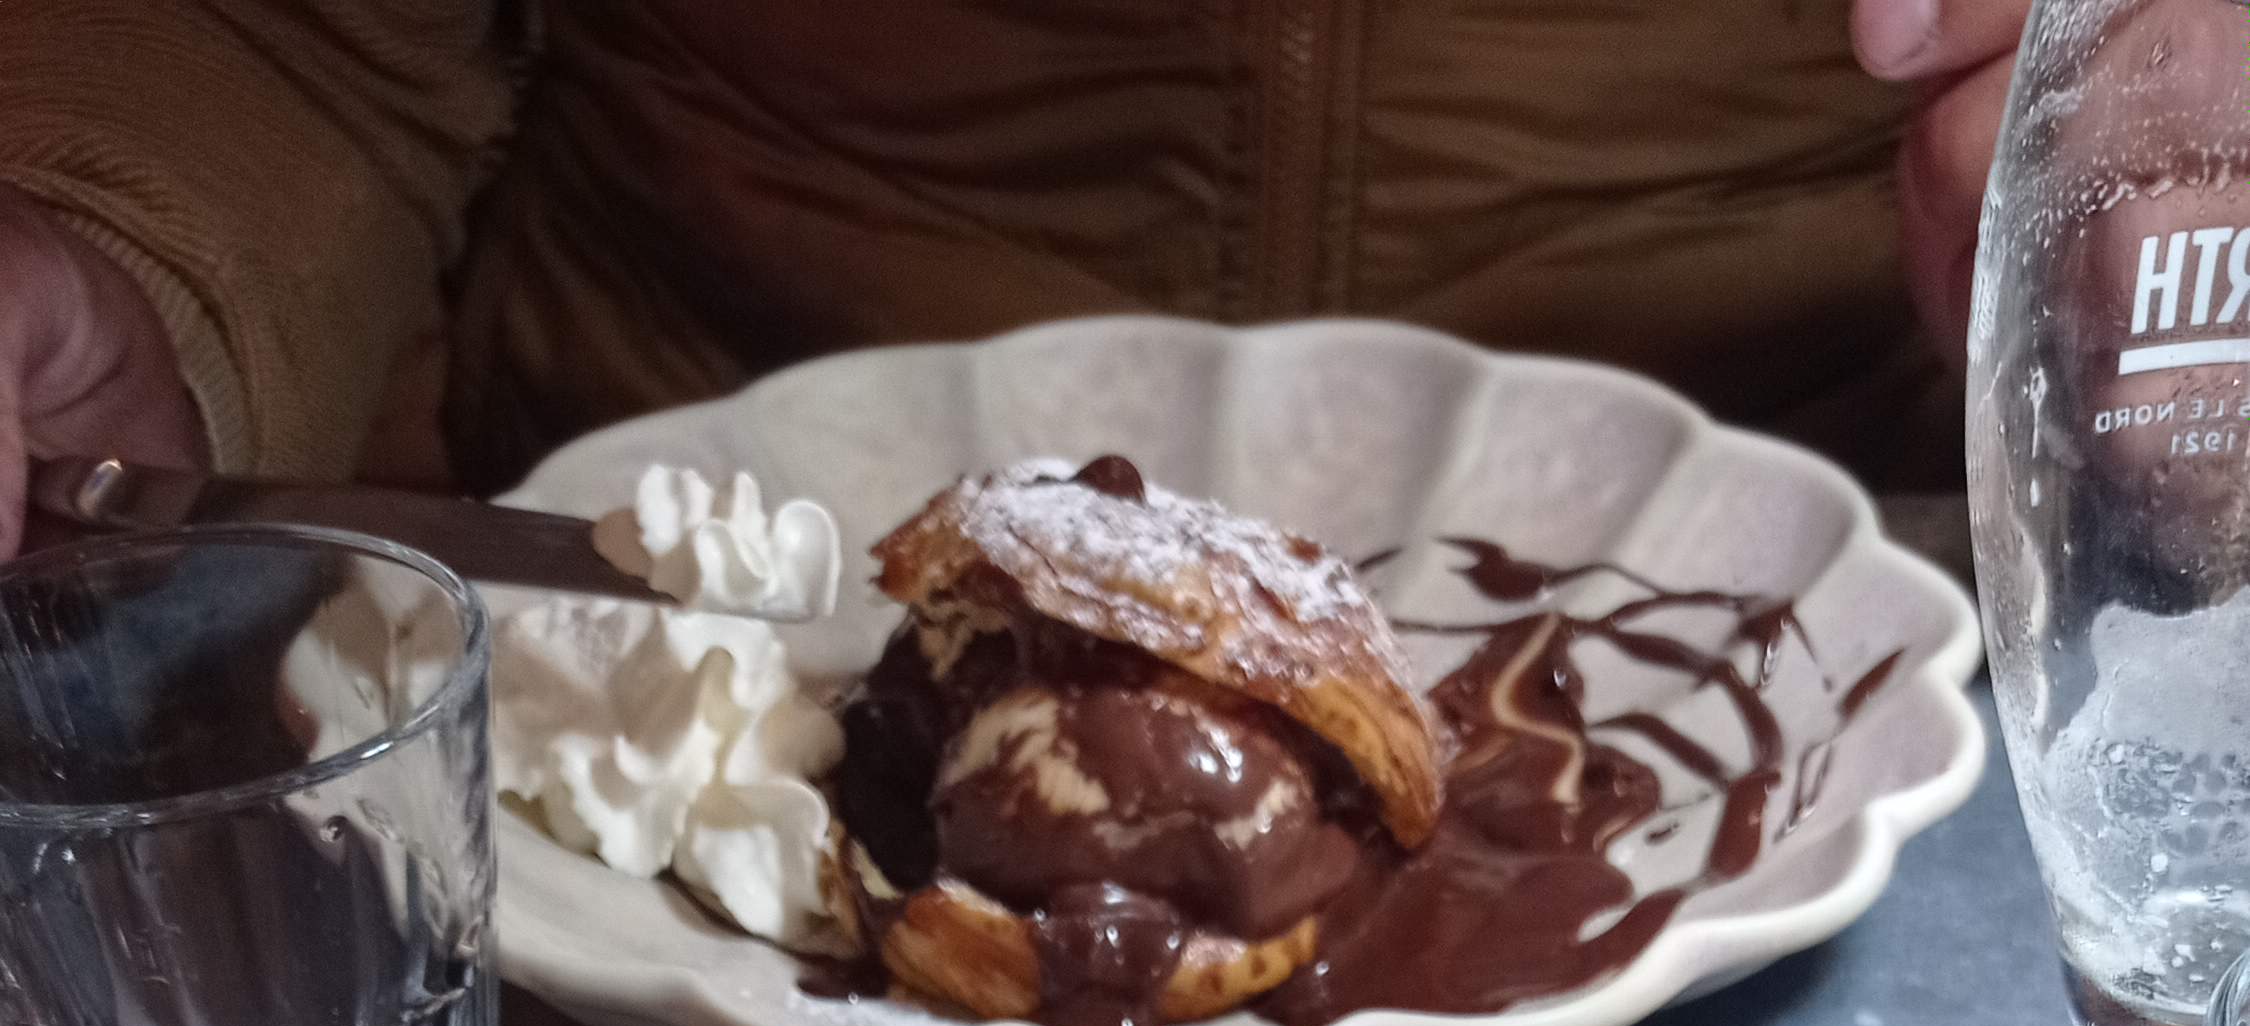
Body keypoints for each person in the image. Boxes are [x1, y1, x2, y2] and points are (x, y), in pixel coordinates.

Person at [0, 0, 2026, 556]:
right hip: (679, 679)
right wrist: (111, 245)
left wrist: (2147, 198)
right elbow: (283, 34)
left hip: (1846, 662)